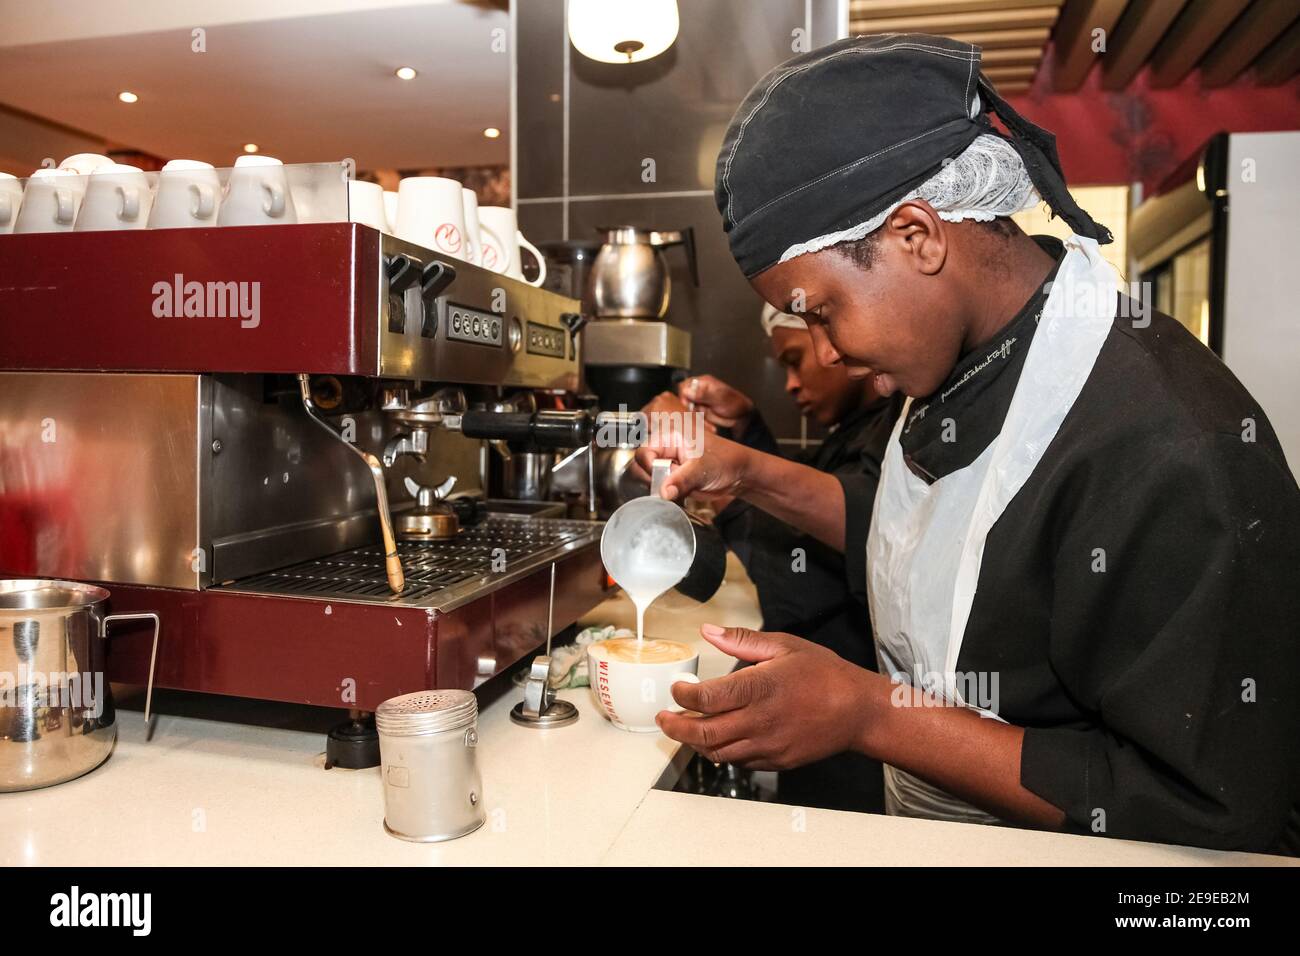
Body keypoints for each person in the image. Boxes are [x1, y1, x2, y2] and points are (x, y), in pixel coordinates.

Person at [638, 34, 1300, 853]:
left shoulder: (1172, 449)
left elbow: (1203, 812)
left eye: (819, 312)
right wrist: (743, 469)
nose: (827, 351)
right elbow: (932, 540)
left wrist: (872, 714)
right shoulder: (951, 370)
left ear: (918, 235)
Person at [643, 305, 903, 812]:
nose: (789, 383)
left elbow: (821, 559)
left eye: (793, 359)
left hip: (855, 755)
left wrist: (727, 476)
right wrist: (745, 430)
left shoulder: (898, 429)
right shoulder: (859, 426)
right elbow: (806, 502)